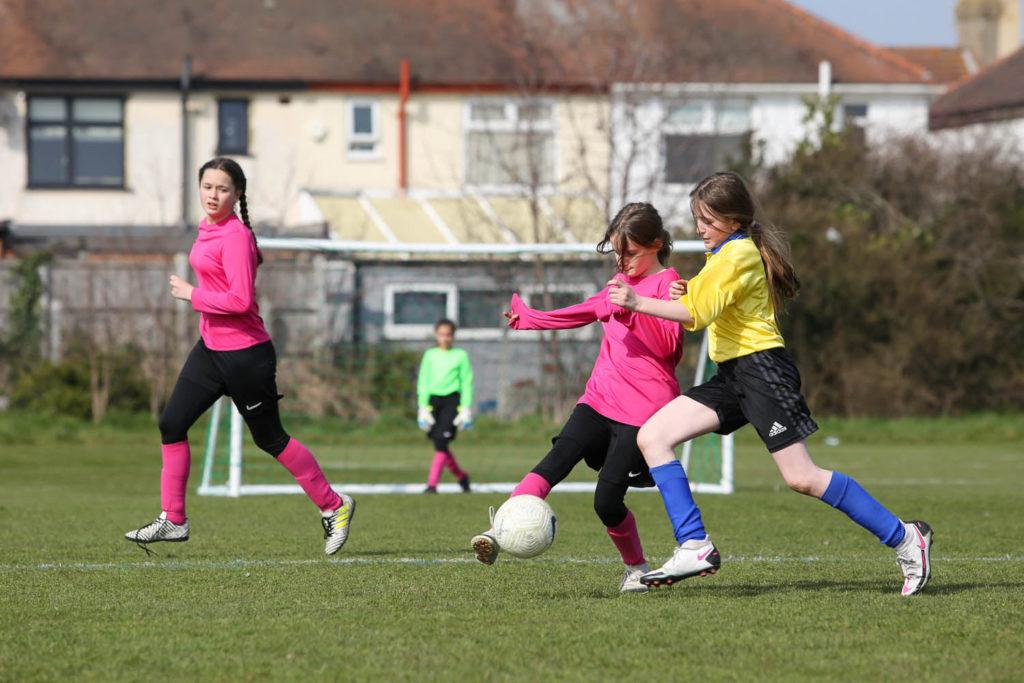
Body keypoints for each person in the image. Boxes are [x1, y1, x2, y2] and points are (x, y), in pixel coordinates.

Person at [608, 171, 932, 596]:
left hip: (763, 372)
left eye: (707, 219)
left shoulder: (738, 253)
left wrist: (639, 302)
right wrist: (683, 294)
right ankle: (694, 545)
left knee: (802, 477)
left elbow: (695, 317)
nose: (699, 228)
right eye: (697, 218)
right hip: (731, 375)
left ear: (733, 219)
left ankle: (907, 538)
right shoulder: (721, 253)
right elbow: (699, 303)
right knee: (654, 436)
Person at [124, 157, 355, 555]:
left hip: (246, 356)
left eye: (223, 189)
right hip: (210, 351)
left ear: (238, 194)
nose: (213, 195)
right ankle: (174, 519)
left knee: (270, 439)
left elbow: (239, 300)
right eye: (208, 187)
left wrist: (191, 294)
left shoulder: (235, 237)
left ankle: (334, 506)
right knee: (171, 424)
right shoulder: (207, 227)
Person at [471, 202, 684, 593]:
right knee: (558, 457)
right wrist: (531, 318)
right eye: (617, 253)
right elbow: (584, 311)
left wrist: (633, 309)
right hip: (599, 398)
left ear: (655, 244)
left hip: (643, 411)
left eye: (631, 253)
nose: (622, 261)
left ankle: (636, 568)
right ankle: (501, 527)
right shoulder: (620, 284)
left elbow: (669, 349)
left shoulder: (670, 285)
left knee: (606, 503)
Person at [417, 318, 474, 494]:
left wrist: (466, 407)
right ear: (436, 335)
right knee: (439, 443)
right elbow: (423, 381)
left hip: (452, 401)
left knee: (442, 441)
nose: (445, 338)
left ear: (453, 336)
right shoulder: (430, 355)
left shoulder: (460, 355)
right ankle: (462, 476)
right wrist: (423, 406)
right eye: (441, 334)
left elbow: (467, 381)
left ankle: (432, 484)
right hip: (433, 402)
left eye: (448, 334)